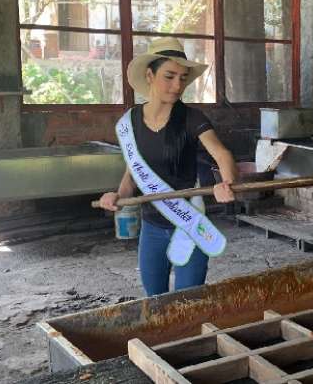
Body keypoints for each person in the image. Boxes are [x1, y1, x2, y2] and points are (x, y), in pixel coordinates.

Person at [99, 37, 238, 296]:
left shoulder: (191, 118)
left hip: (190, 224)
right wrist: (118, 195)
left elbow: (222, 154)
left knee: (187, 304)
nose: (177, 86)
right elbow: (132, 172)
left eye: (183, 78)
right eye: (169, 76)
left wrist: (227, 183)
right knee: (155, 303)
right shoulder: (131, 122)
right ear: (150, 75)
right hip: (151, 229)